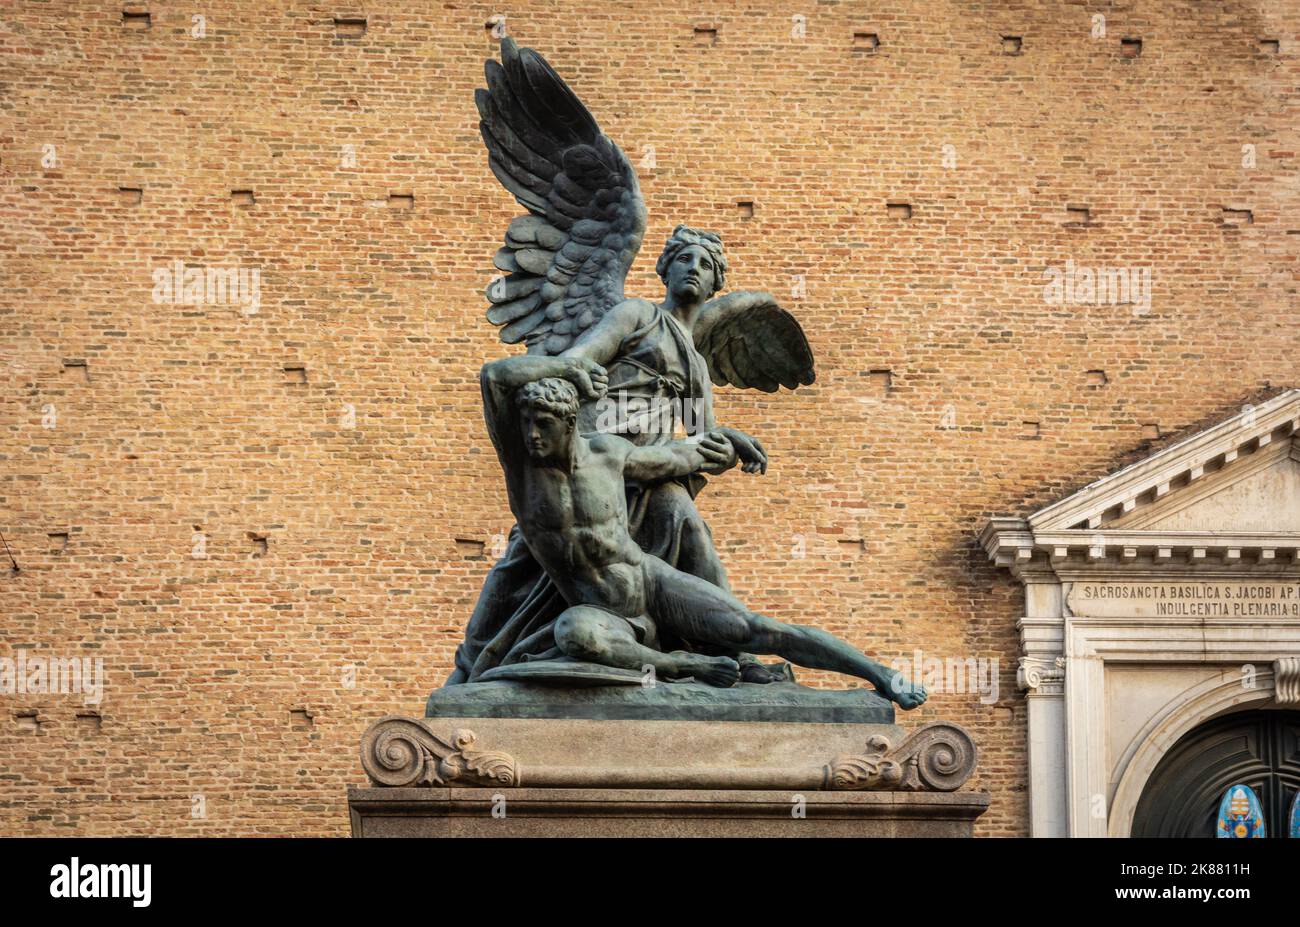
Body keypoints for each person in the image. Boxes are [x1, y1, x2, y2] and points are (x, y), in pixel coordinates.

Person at [477, 352, 927, 708]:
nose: (533, 435)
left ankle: (879, 674)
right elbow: (495, 375)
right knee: (575, 633)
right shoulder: (520, 468)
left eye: (545, 425)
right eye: (527, 425)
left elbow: (681, 457)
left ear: (570, 424)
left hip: (651, 583)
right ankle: (676, 665)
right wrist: (568, 367)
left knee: (755, 628)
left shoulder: (609, 454)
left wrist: (726, 439)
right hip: (601, 613)